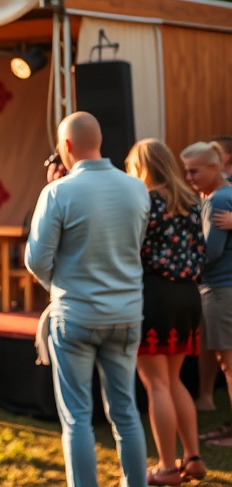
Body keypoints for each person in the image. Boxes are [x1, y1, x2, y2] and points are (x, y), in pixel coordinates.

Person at [26, 112, 150, 487]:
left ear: (66, 146)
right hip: (126, 312)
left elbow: (36, 260)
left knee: (77, 418)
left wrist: (58, 285)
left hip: (76, 314)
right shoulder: (137, 188)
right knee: (126, 412)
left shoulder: (57, 192)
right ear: (99, 141)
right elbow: (134, 246)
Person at [126, 139, 207, 484]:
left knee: (157, 384)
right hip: (188, 295)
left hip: (154, 294)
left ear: (140, 167)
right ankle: (193, 458)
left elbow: (131, 249)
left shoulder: (143, 201)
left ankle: (167, 468)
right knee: (173, 380)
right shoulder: (191, 201)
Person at [179, 141, 232, 443]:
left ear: (214, 167)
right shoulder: (222, 195)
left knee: (229, 364)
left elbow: (209, 252)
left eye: (194, 171)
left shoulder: (219, 199)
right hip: (221, 289)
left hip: (221, 290)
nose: (188, 178)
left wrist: (176, 261)